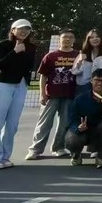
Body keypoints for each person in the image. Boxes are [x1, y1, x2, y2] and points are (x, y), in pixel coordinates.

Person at [0, 19, 37, 170]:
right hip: (3, 84)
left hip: (21, 85)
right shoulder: (3, 45)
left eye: (27, 29)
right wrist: (14, 52)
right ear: (13, 30)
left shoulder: (31, 47)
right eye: (20, 28)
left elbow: (27, 66)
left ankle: (5, 157)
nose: (24, 31)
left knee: (12, 125)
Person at [26, 28, 80, 160]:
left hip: (69, 95)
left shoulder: (78, 55)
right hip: (51, 94)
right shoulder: (50, 56)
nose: (67, 39)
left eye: (70, 37)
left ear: (74, 40)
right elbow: (43, 76)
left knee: (64, 123)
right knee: (44, 123)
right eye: (64, 37)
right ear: (59, 39)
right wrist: (42, 94)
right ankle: (35, 149)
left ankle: (58, 147)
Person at [66, 68, 102, 168]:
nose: (99, 83)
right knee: (72, 137)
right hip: (83, 131)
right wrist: (78, 127)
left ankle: (101, 158)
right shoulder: (80, 97)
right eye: (96, 80)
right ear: (91, 80)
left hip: (99, 132)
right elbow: (71, 118)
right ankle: (76, 156)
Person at [72, 29, 102, 98]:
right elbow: (74, 71)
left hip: (101, 86)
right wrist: (79, 64)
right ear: (88, 40)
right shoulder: (83, 53)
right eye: (92, 37)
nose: (95, 39)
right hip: (84, 87)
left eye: (97, 37)